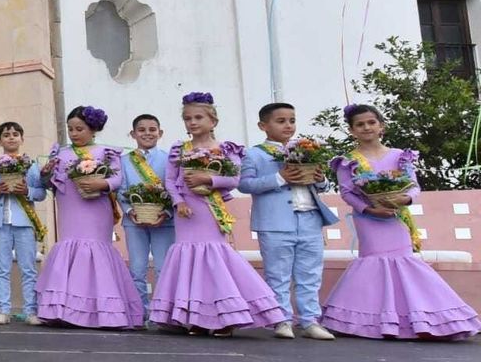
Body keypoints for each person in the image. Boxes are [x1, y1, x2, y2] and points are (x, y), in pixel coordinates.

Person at [319, 104, 479, 339]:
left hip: (397, 217)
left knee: (405, 262)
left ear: (381, 126)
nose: (366, 127)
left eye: (371, 122)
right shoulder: (348, 161)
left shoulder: (399, 156)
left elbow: (413, 185)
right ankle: (367, 322)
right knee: (374, 263)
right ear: (352, 130)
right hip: (369, 219)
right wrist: (369, 208)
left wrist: (404, 198)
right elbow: (347, 193)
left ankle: (423, 318)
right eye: (360, 124)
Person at [148, 92, 286, 335]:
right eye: (188, 118)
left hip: (210, 210)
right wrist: (178, 201)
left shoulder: (225, 148)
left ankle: (227, 318)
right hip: (187, 213)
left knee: (214, 263)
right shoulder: (179, 149)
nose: (193, 123)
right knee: (190, 263)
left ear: (213, 121)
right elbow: (170, 180)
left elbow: (233, 180)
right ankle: (198, 318)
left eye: (198, 117)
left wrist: (208, 178)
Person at [238, 102, 338, 340]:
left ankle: (310, 320)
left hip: (310, 219)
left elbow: (323, 185)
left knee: (310, 273)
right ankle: (281, 319)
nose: (288, 125)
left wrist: (320, 178)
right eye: (280, 121)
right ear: (263, 125)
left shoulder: (306, 150)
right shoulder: (254, 154)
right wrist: (279, 177)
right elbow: (244, 184)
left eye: (291, 120)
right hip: (274, 223)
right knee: (277, 274)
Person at [33, 106, 139, 328]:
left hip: (96, 208)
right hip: (69, 205)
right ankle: (63, 311)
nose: (74, 133)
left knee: (96, 249)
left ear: (93, 129)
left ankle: (103, 312)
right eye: (70, 129)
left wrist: (101, 183)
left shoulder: (105, 152)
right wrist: (45, 174)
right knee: (68, 247)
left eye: (79, 129)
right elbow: (47, 185)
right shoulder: (60, 153)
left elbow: (117, 180)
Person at [0, 120, 46, 325]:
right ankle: (3, 310)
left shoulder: (31, 165)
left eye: (15, 134)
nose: (11, 137)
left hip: (24, 221)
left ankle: (31, 311)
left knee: (28, 267)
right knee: (2, 267)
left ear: (22, 139)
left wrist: (28, 191)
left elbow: (41, 192)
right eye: (6, 135)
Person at [118, 113, 174, 322]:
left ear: (160, 133)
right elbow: (120, 189)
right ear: (133, 134)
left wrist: (167, 212)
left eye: (152, 130)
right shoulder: (123, 161)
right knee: (137, 268)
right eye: (142, 130)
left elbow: (174, 189)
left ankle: (162, 313)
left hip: (165, 222)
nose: (147, 134)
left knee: (163, 268)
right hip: (134, 222)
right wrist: (129, 211)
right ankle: (138, 312)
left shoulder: (170, 159)